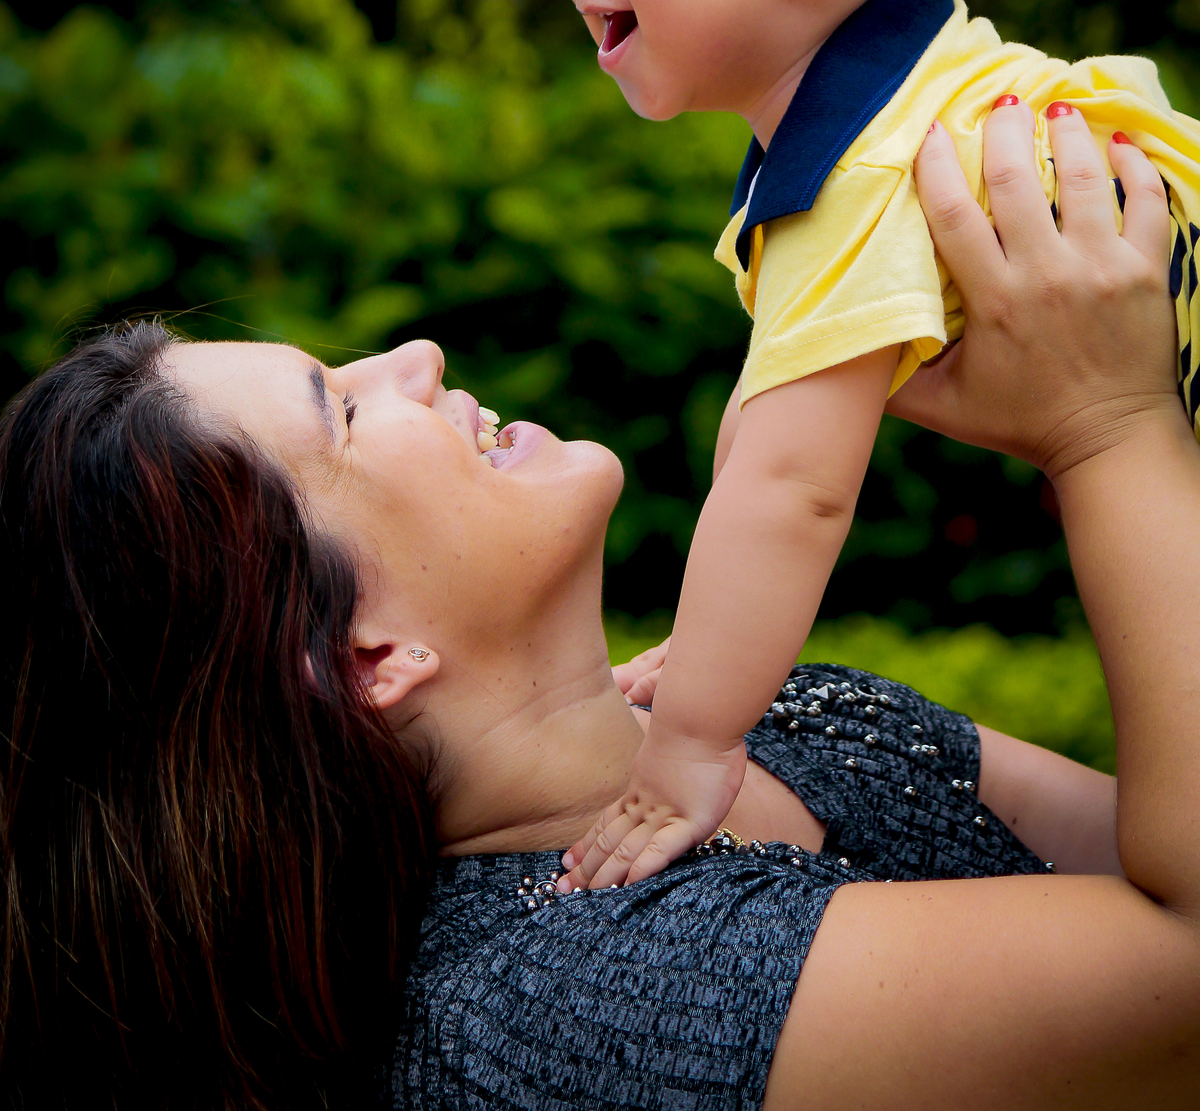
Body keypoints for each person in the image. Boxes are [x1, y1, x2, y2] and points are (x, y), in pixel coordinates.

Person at [4, 102, 1199, 1107]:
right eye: (346, 409)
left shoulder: (790, 722)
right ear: (366, 656)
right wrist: (1105, 433)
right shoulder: (560, 1010)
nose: (413, 358)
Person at [548, 0, 1200, 888]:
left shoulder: (869, 168)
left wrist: (689, 747)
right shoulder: (906, 108)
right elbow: (767, 431)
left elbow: (792, 491)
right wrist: (712, 641)